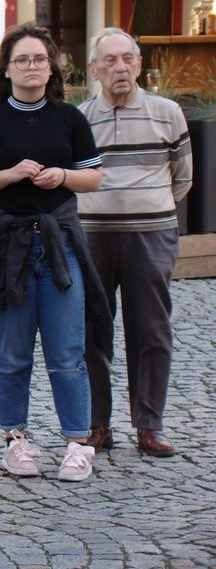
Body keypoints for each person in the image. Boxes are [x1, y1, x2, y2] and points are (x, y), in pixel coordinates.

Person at [0, 22, 111, 482]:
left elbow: (93, 177)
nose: (32, 67)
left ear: (52, 69)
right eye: (23, 60)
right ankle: (16, 440)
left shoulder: (69, 118)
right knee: (12, 353)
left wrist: (62, 177)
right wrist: (9, 175)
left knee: (67, 351)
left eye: (40, 60)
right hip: (9, 247)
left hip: (60, 245)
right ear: (6, 70)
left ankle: (77, 443)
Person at [78, 27, 193, 457]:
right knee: (92, 332)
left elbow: (182, 179)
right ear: (94, 70)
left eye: (127, 58)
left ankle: (150, 425)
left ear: (140, 65)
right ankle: (97, 424)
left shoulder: (168, 113)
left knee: (151, 330)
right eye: (109, 61)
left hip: (151, 236)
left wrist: (146, 208)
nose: (119, 67)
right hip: (92, 238)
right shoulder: (81, 119)